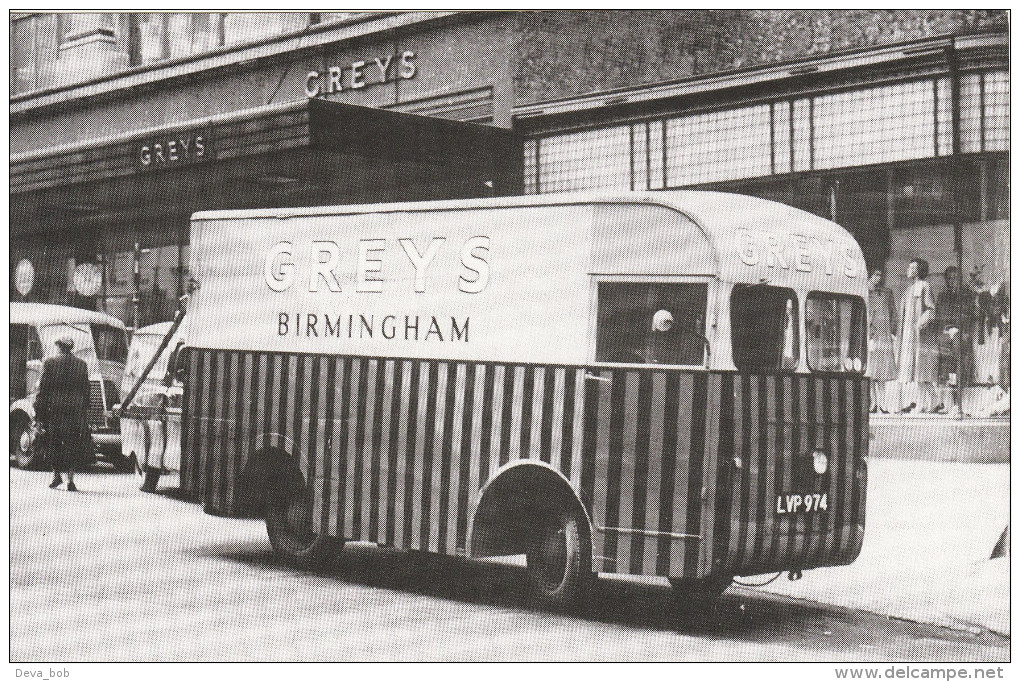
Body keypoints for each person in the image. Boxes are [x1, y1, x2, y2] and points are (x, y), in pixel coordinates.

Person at [35, 336, 91, 491]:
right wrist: (84, 411)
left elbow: (42, 390)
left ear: (59, 347)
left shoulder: (50, 363)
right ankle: (70, 480)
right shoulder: (81, 365)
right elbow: (87, 390)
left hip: (55, 411)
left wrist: (38, 414)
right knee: (73, 443)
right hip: (75, 412)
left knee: (53, 442)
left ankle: (56, 475)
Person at [896, 258, 939, 413]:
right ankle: (933, 401)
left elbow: (930, 309)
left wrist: (920, 323)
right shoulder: (909, 290)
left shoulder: (924, 286)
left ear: (918, 270)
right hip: (908, 336)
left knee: (921, 372)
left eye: (912, 267)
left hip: (919, 336)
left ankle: (924, 403)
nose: (909, 269)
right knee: (916, 373)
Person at [935, 266, 973, 416]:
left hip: (961, 333)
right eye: (949, 279)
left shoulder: (966, 295)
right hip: (947, 333)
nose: (952, 282)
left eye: (954, 278)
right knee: (948, 368)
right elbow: (939, 314)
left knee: (959, 366)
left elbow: (969, 314)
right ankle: (951, 403)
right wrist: (946, 329)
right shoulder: (943, 296)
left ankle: (959, 404)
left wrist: (960, 329)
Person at [867, 269, 897, 413]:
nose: (878, 278)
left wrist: (892, 331)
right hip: (869, 336)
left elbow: (893, 313)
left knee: (882, 372)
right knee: (871, 372)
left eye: (880, 275)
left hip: (883, 335)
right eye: (875, 275)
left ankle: (883, 404)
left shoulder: (886, 293)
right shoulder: (864, 291)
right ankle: (873, 403)